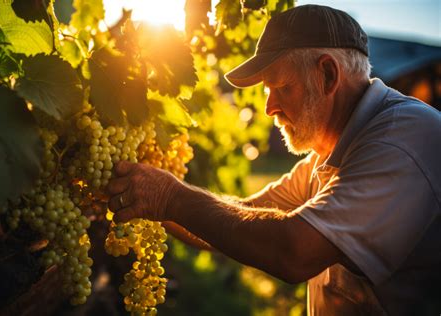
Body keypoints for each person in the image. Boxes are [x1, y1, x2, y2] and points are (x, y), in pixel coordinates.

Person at [107, 4, 441, 316]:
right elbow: (237, 218)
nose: (269, 108)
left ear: (327, 74)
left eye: (280, 87)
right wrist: (143, 195)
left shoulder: (402, 140)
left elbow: (293, 252)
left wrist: (170, 197)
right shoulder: (327, 156)